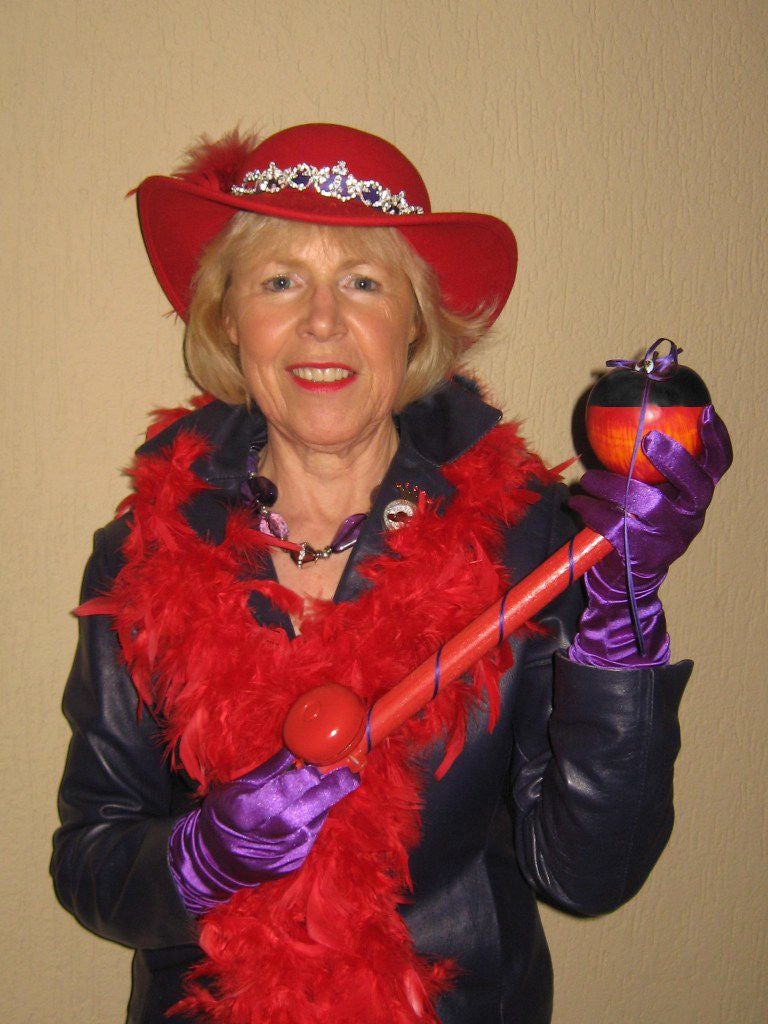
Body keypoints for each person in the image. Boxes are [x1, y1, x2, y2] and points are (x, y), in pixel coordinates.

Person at [51, 123, 731, 1024]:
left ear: (413, 323)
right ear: (227, 318)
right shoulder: (141, 551)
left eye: (363, 282)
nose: (321, 320)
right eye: (280, 281)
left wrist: (621, 616)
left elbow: (589, 874)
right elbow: (90, 856)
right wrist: (196, 862)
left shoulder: (525, 541)